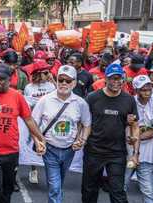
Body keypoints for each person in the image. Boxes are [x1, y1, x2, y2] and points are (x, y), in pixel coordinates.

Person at [0, 63, 46, 203]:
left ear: (9, 80)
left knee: (7, 188)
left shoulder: (17, 96)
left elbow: (28, 120)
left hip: (11, 153)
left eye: (1, 79)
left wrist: (40, 138)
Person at [32, 65, 91, 203]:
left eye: (68, 81)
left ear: (74, 83)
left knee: (59, 183)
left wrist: (82, 140)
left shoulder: (81, 103)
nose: (64, 83)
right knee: (54, 186)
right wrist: (37, 141)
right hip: (50, 149)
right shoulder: (45, 100)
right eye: (61, 79)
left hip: (69, 150)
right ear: (56, 80)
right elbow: (33, 123)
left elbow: (87, 125)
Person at [82, 63, 140, 203]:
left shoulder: (129, 100)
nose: (116, 82)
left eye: (119, 78)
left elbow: (135, 125)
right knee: (90, 190)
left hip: (117, 153)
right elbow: (83, 122)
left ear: (123, 79)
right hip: (94, 151)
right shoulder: (92, 98)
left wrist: (135, 153)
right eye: (112, 78)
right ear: (105, 79)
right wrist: (80, 139)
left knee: (117, 191)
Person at [124, 75, 153, 203]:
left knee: (147, 189)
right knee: (120, 186)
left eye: (149, 88)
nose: (147, 92)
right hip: (128, 153)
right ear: (136, 90)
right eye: (143, 89)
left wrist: (137, 137)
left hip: (147, 154)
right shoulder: (129, 102)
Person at [23, 61, 56, 184]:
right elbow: (27, 106)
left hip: (48, 121)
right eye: (46, 72)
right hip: (34, 121)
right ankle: (33, 169)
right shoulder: (29, 88)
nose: (49, 74)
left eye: (49, 72)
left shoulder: (51, 86)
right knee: (34, 146)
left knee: (49, 146)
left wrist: (53, 81)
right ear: (38, 73)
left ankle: (51, 172)